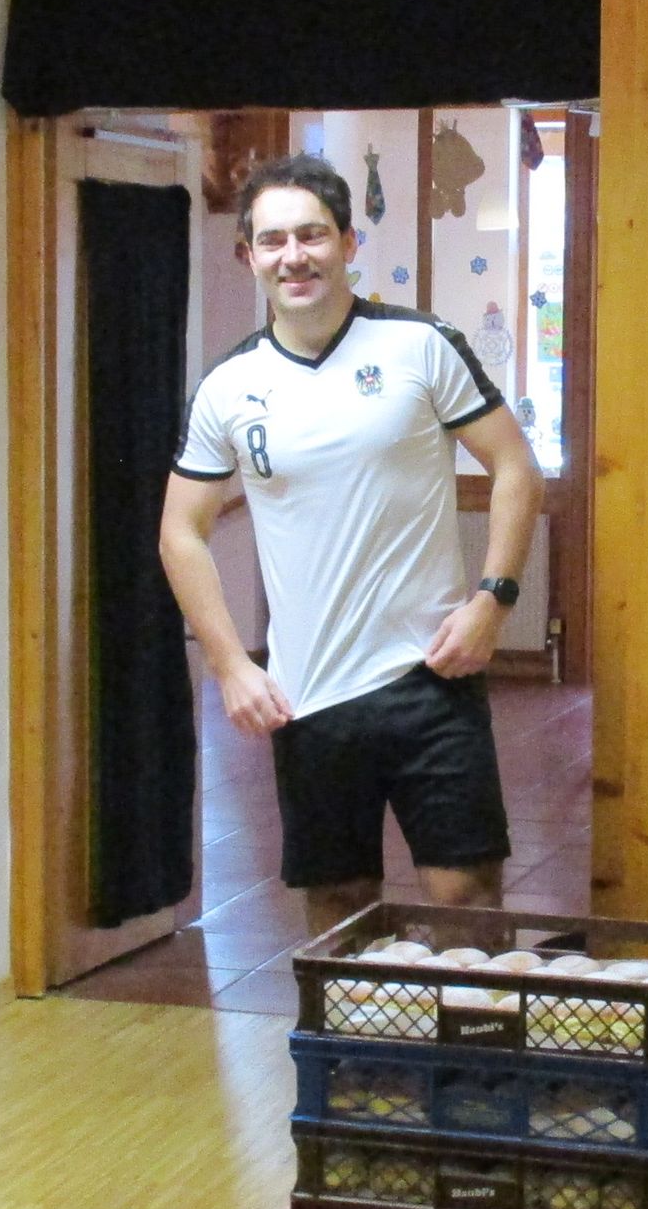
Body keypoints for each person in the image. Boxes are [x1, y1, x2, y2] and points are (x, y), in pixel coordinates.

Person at [161, 154, 543, 929]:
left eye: (311, 235)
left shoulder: (420, 344)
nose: (293, 256)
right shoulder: (228, 386)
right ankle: (353, 1022)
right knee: (338, 910)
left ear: (346, 242)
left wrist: (492, 600)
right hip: (308, 696)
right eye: (273, 241)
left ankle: (469, 1017)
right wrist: (230, 665)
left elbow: (514, 467)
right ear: (247, 255)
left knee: (466, 898)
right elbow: (180, 531)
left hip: (432, 674)